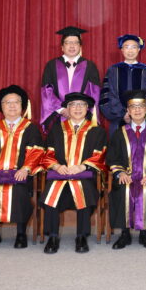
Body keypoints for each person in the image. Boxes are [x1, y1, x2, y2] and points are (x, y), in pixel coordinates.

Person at [0, 85, 45, 250]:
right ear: (2, 106)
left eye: (16, 102)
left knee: (19, 190)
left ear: (22, 106)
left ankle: (21, 233)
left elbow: (36, 151)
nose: (12, 106)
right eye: (8, 103)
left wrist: (26, 169)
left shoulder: (30, 128)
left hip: (19, 173)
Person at [40, 91, 107, 254]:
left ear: (88, 109)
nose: (77, 108)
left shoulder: (96, 131)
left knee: (84, 190)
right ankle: (53, 236)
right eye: (73, 105)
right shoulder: (56, 129)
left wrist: (82, 166)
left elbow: (101, 154)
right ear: (67, 109)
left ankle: (81, 236)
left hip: (84, 174)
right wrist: (56, 166)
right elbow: (47, 154)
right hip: (60, 175)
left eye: (82, 105)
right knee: (51, 192)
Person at [106, 88, 146, 249]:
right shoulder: (119, 133)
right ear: (128, 111)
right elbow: (112, 157)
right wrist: (120, 173)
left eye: (141, 106)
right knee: (122, 190)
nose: (138, 110)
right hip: (126, 177)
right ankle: (124, 233)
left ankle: (144, 233)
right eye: (134, 107)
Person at [40, 26, 101, 134]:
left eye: (75, 42)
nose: (72, 46)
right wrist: (62, 109)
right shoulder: (51, 65)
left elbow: (94, 93)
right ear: (62, 47)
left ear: (80, 46)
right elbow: (47, 92)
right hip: (58, 117)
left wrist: (80, 110)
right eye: (68, 42)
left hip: (83, 118)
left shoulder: (90, 66)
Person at [101, 34, 146, 138]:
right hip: (118, 119)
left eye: (134, 47)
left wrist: (138, 114)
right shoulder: (113, 70)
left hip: (141, 119)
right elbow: (108, 94)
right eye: (126, 47)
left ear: (139, 49)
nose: (130, 50)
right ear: (122, 50)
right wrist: (123, 114)